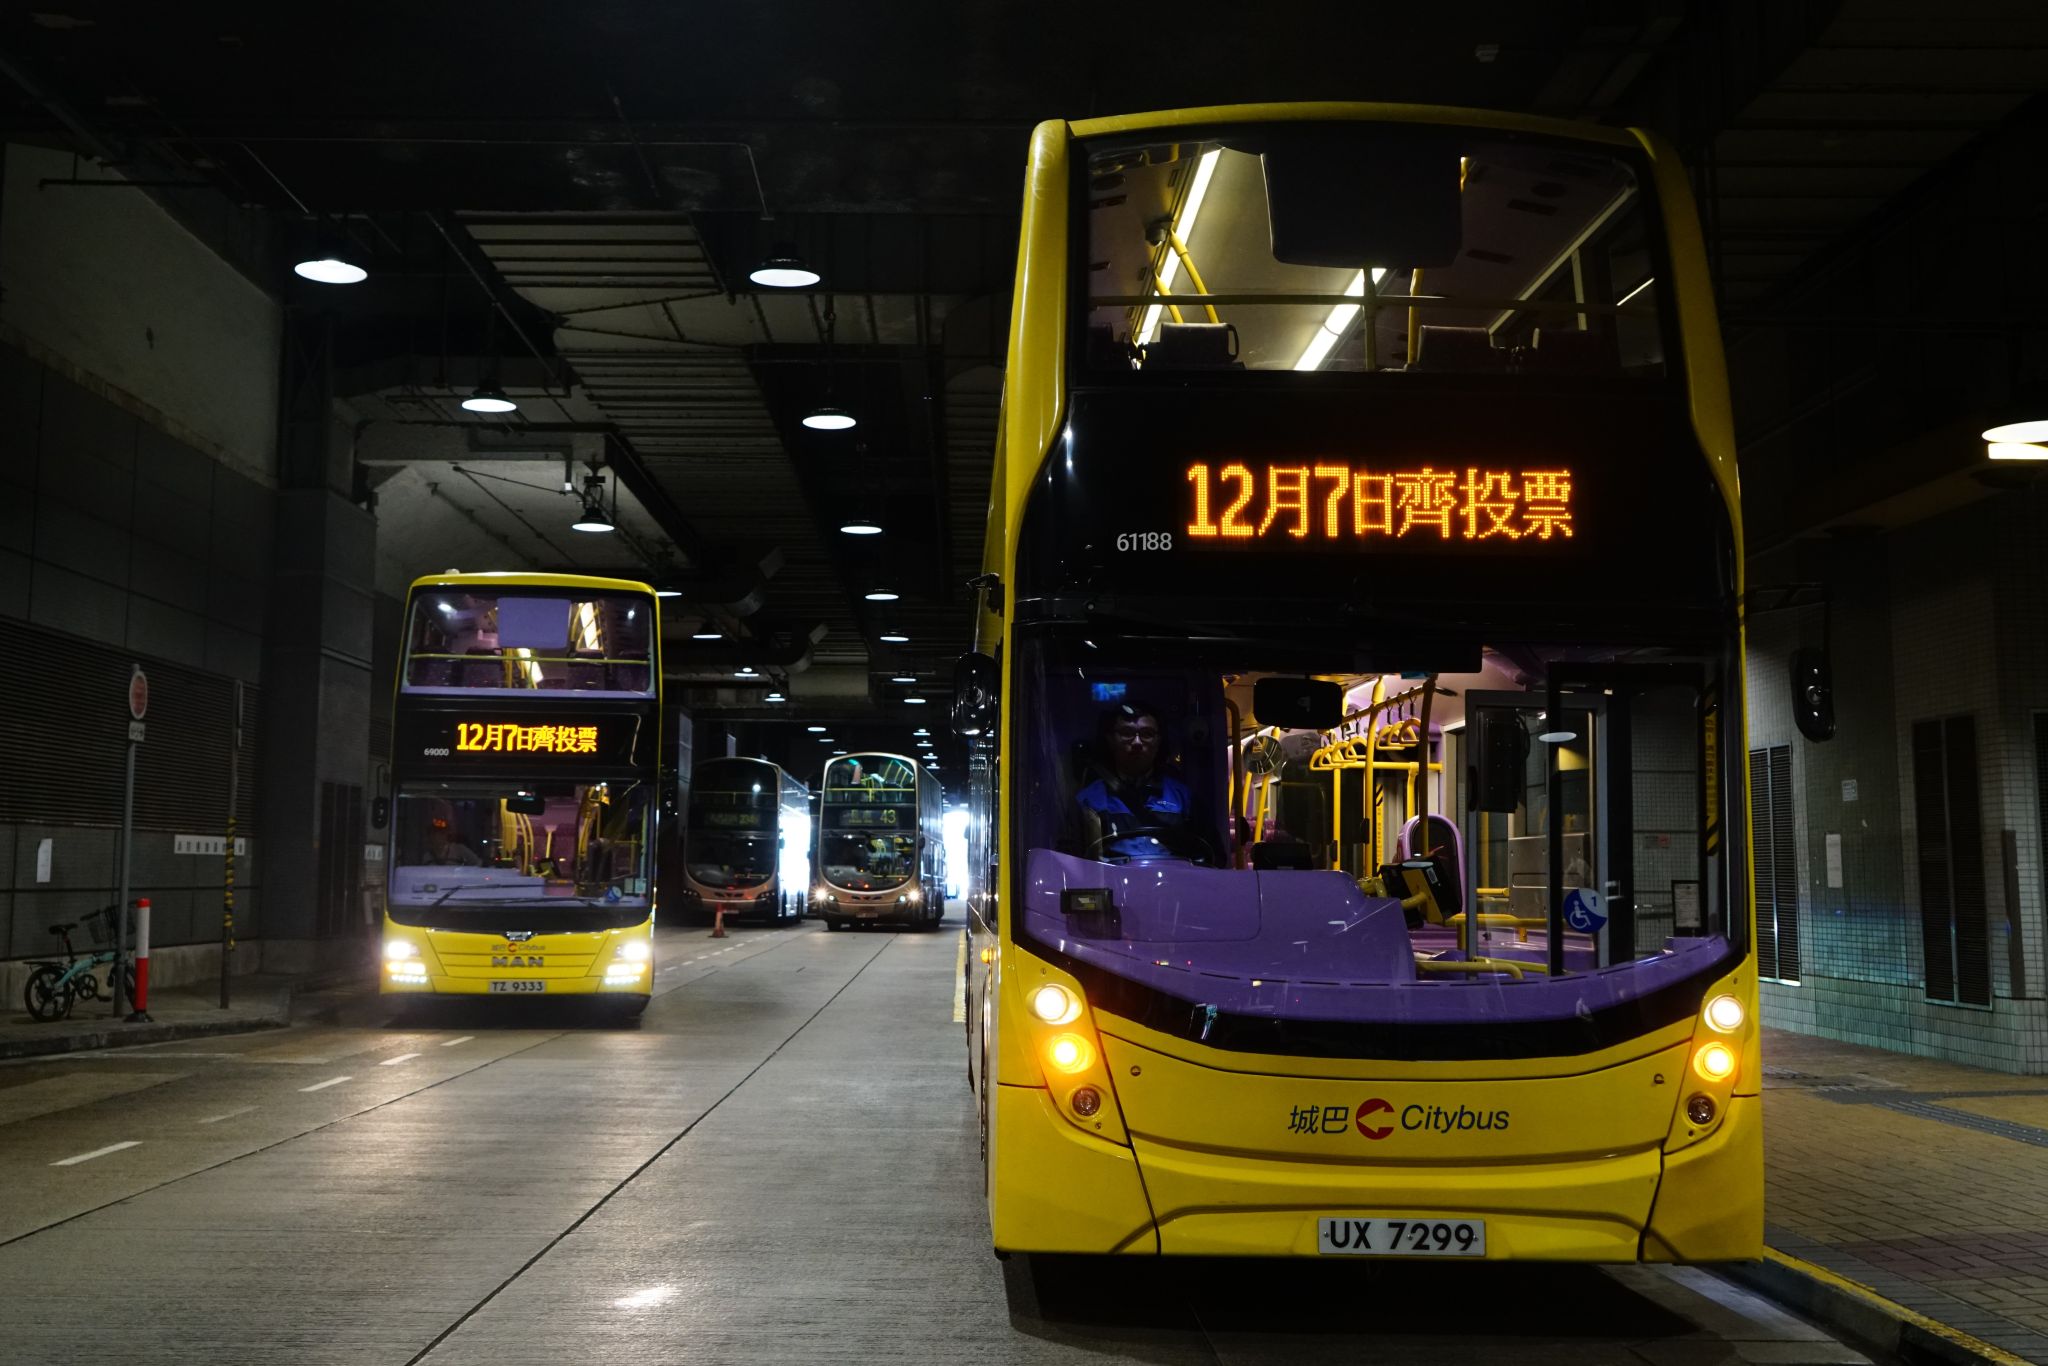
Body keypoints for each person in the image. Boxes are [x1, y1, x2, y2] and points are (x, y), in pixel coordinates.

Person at [1072, 701, 1198, 862]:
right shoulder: (1089, 801)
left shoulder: (1183, 798)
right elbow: (1071, 862)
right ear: (1111, 740)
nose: (1137, 742)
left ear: (1158, 741)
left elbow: (1212, 857)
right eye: (1127, 733)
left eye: (1147, 734)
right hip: (1112, 878)